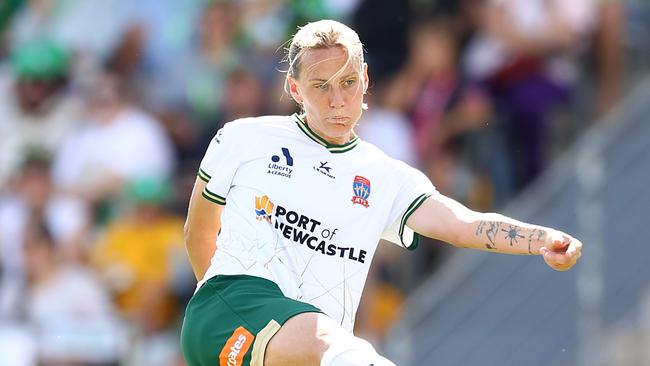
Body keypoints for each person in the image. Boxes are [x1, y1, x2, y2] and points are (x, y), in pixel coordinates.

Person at [181, 20, 582, 366]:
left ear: (366, 80)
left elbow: (462, 224)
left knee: (335, 344)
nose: (338, 100)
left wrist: (540, 240)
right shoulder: (244, 137)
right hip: (235, 308)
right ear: (295, 88)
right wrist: (223, 306)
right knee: (338, 345)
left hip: (308, 353)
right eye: (321, 86)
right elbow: (198, 232)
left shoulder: (386, 177)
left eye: (349, 83)